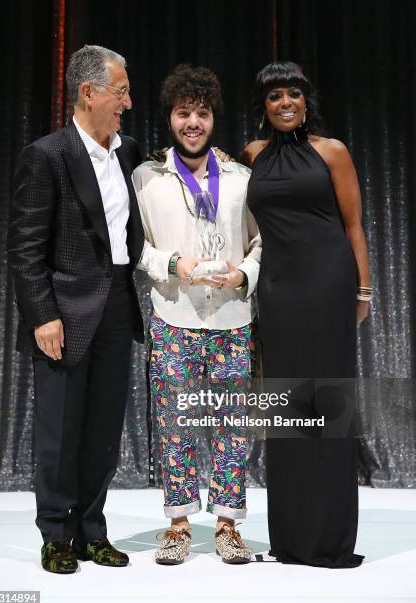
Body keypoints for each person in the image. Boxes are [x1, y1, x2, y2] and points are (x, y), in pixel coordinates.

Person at [8, 45, 144, 573]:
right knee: (61, 429)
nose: (127, 103)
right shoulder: (47, 155)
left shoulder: (128, 151)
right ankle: (56, 534)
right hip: (63, 308)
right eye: (121, 91)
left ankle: (92, 529)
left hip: (116, 302)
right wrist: (42, 314)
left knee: (104, 429)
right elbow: (24, 246)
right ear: (88, 93)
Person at [242, 61, 371, 568]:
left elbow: (354, 226)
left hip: (330, 286)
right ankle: (292, 538)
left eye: (293, 93)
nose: (285, 103)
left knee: (329, 406)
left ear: (305, 99)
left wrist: (363, 292)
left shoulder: (332, 151)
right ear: (264, 105)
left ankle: (331, 537)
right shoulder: (251, 155)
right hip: (277, 292)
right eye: (275, 96)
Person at [132, 64, 261, 565]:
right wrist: (172, 263)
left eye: (201, 113)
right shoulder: (147, 177)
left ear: (212, 118)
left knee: (231, 425)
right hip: (174, 316)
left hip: (231, 319)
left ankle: (228, 525)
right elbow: (134, 245)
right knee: (177, 425)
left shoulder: (241, 178)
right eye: (184, 113)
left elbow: (260, 241)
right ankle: (179, 525)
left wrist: (242, 274)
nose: (193, 122)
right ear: (170, 117)